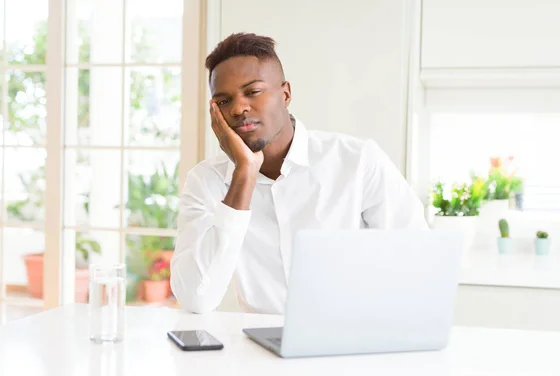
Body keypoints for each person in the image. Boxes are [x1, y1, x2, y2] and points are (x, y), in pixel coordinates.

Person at [170, 33, 427, 314]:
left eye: (253, 92)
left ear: (286, 94)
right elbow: (196, 298)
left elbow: (415, 261)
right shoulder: (205, 181)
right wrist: (244, 175)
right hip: (255, 350)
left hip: (349, 341)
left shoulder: (358, 161)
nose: (239, 108)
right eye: (223, 101)